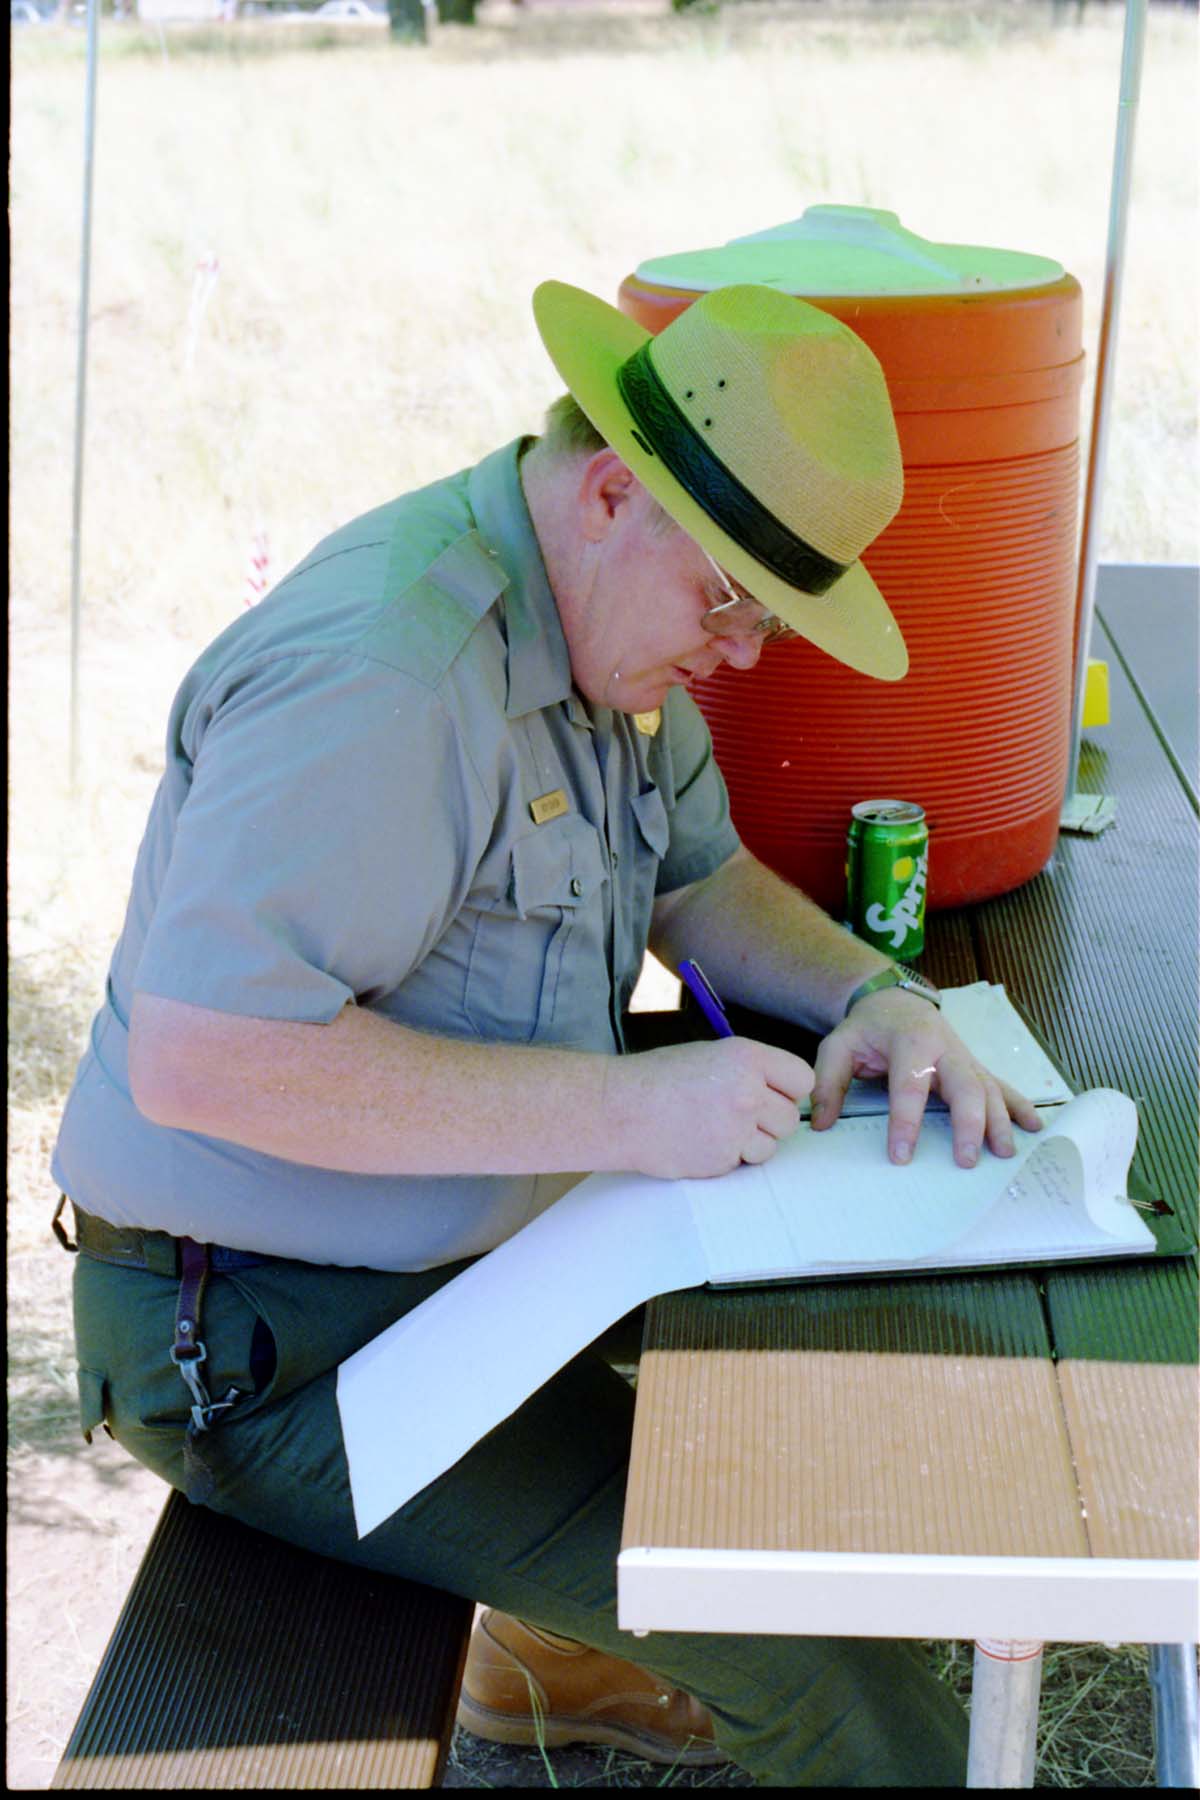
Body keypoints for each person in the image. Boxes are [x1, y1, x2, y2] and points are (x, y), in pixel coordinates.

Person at [52, 280, 1041, 1786]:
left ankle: (566, 1634)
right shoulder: (390, 674)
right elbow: (208, 1058)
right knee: (820, 1644)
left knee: (864, 1360)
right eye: (734, 605)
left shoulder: (604, 628)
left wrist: (871, 997)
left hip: (470, 1261)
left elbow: (695, 877)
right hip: (269, 1343)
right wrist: (628, 1116)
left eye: (770, 618)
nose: (747, 657)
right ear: (607, 493)